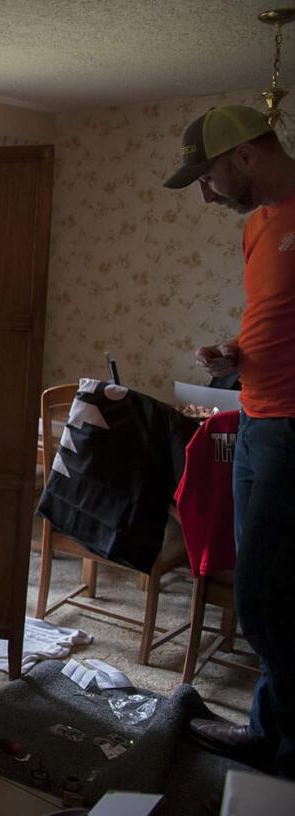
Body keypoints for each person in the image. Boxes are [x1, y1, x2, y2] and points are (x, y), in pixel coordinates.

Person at [164, 104, 295, 777]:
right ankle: (270, 733)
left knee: (267, 598)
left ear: (244, 155)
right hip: (257, 415)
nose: (209, 194)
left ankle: (285, 748)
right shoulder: (260, 228)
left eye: (210, 178)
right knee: (263, 587)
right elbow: (275, 320)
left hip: (291, 430)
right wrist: (235, 355)